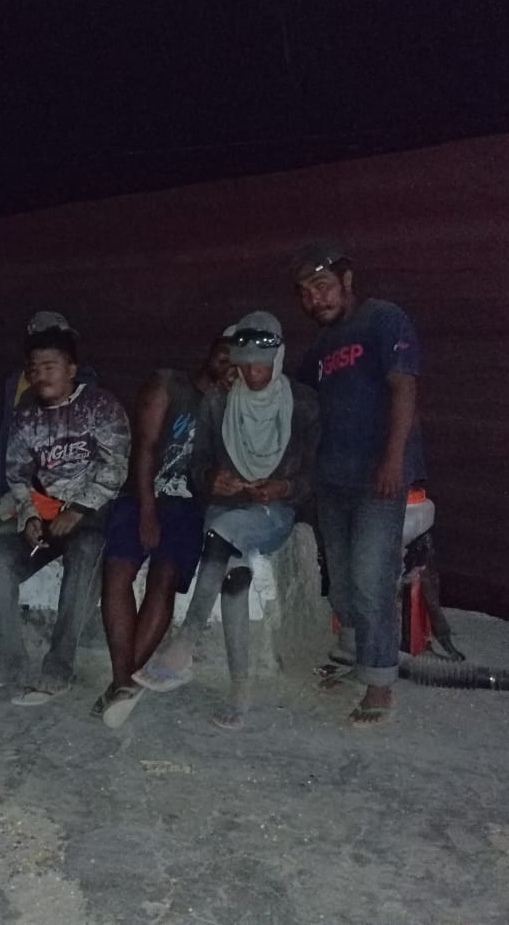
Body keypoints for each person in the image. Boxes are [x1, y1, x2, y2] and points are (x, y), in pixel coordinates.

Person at [134, 311, 319, 731]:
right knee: (234, 579)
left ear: (278, 359)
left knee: (222, 533)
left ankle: (185, 641)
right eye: (245, 364)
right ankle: (240, 691)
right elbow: (197, 467)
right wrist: (211, 479)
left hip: (271, 513)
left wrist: (283, 487)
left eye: (261, 365)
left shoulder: (303, 403)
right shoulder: (218, 401)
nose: (252, 374)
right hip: (223, 507)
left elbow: (312, 477)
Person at [292, 241, 426, 727]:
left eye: (323, 286)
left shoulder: (382, 319)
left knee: (371, 577)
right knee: (344, 578)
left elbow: (404, 386)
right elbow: (298, 402)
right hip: (333, 478)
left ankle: (380, 681)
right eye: (306, 292)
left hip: (378, 478)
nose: (316, 299)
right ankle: (352, 654)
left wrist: (393, 459)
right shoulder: (321, 348)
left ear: (346, 281)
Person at [0, 326, 129, 705]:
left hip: (91, 515)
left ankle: (59, 667)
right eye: (34, 368)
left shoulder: (101, 406)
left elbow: (116, 466)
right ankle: (8, 660)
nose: (40, 375)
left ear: (71, 368)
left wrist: (80, 509)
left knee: (85, 550)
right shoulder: (26, 417)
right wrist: (28, 516)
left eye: (49, 366)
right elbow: (17, 474)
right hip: (46, 513)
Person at [92, 332, 236, 728]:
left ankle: (121, 685)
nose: (229, 366)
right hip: (142, 494)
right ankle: (124, 681)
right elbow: (147, 447)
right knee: (117, 572)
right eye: (223, 355)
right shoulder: (168, 384)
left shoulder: (232, 405)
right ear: (210, 351)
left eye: (237, 362)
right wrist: (147, 511)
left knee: (165, 575)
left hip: (188, 506)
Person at [0, 311, 97, 551]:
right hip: (12, 488)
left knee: (1, 542)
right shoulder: (13, 383)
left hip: (55, 494)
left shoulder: (83, 384)